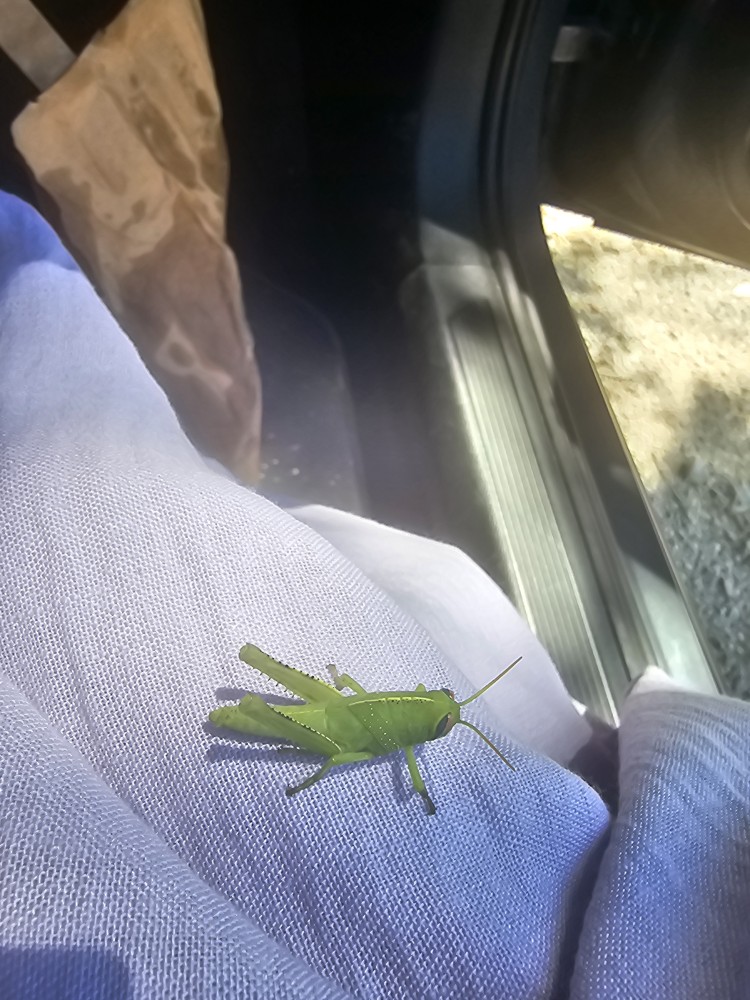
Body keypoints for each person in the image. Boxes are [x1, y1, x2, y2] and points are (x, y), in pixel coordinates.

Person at [1, 191, 748, 1000]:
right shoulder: (420, 734)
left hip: (344, 723)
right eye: (441, 714)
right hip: (338, 725)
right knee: (355, 684)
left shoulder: (423, 715)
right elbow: (379, 739)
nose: (444, 711)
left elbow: (381, 717)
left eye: (442, 715)